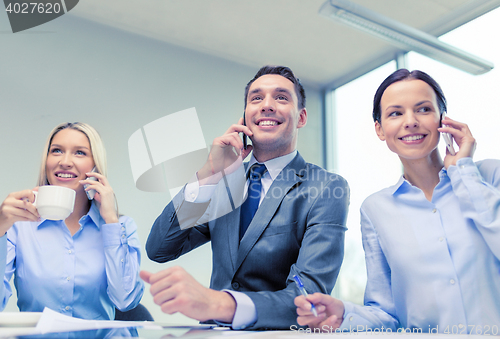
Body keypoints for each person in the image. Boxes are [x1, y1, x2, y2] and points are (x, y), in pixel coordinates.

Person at [141, 65, 349, 330]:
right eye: (256, 98)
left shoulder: (327, 188)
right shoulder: (222, 184)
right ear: (245, 117)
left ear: (301, 117)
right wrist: (208, 174)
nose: (267, 105)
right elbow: (160, 248)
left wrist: (218, 303)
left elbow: (307, 296)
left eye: (282, 97)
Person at [295, 69, 500, 333]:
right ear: (380, 129)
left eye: (423, 109)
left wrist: (464, 172)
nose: (411, 121)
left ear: (443, 120)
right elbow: (387, 314)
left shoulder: (489, 176)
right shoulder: (375, 209)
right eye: (395, 113)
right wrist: (344, 314)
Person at [0, 122, 144, 320]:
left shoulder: (121, 227)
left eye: (80, 153)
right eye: (57, 151)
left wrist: (110, 221)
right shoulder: (18, 226)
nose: (65, 162)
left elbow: (126, 300)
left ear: (95, 166)